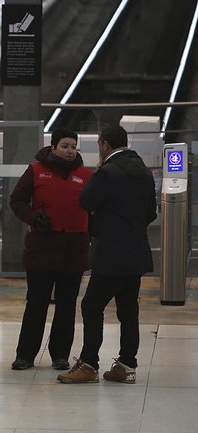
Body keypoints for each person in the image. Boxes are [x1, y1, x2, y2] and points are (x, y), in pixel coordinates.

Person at [58, 125, 156, 384]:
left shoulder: (108, 172)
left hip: (111, 253)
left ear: (104, 145)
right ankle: (127, 365)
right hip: (135, 252)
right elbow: (151, 213)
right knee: (128, 309)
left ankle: (89, 364)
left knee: (91, 305)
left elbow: (86, 201)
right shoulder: (144, 171)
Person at [9, 129, 93, 371]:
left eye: (73, 146)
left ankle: (60, 354)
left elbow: (94, 209)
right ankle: (25, 355)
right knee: (36, 302)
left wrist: (92, 234)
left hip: (73, 250)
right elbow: (17, 201)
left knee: (67, 305)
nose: (70, 150)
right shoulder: (36, 171)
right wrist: (34, 218)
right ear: (53, 147)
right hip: (42, 248)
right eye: (65, 145)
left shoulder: (86, 175)